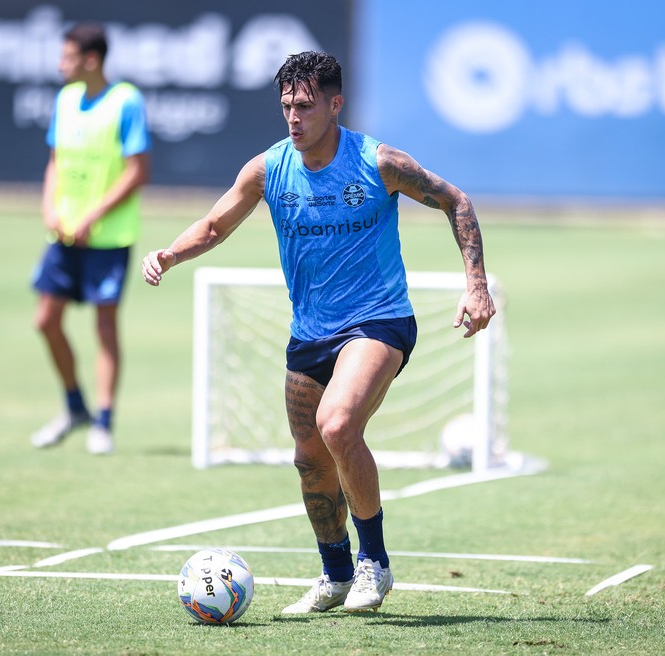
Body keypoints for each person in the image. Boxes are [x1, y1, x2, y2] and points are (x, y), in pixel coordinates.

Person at [141, 51, 495, 612]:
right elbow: (213, 225)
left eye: (305, 106)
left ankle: (373, 565)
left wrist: (475, 285)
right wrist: (170, 254)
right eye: (286, 106)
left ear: (335, 104)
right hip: (310, 333)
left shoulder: (379, 162)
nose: (293, 117)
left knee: (337, 424)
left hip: (379, 321)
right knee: (309, 459)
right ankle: (334, 575)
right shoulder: (267, 169)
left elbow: (456, 200)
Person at [30, 23, 150, 455]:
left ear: (91, 60)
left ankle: (103, 421)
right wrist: (49, 207)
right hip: (61, 234)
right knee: (45, 321)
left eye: (67, 57)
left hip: (108, 237)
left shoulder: (126, 101)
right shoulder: (64, 100)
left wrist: (93, 216)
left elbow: (138, 170)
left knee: (103, 327)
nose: (60, 65)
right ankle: (74, 406)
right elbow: (54, 162)